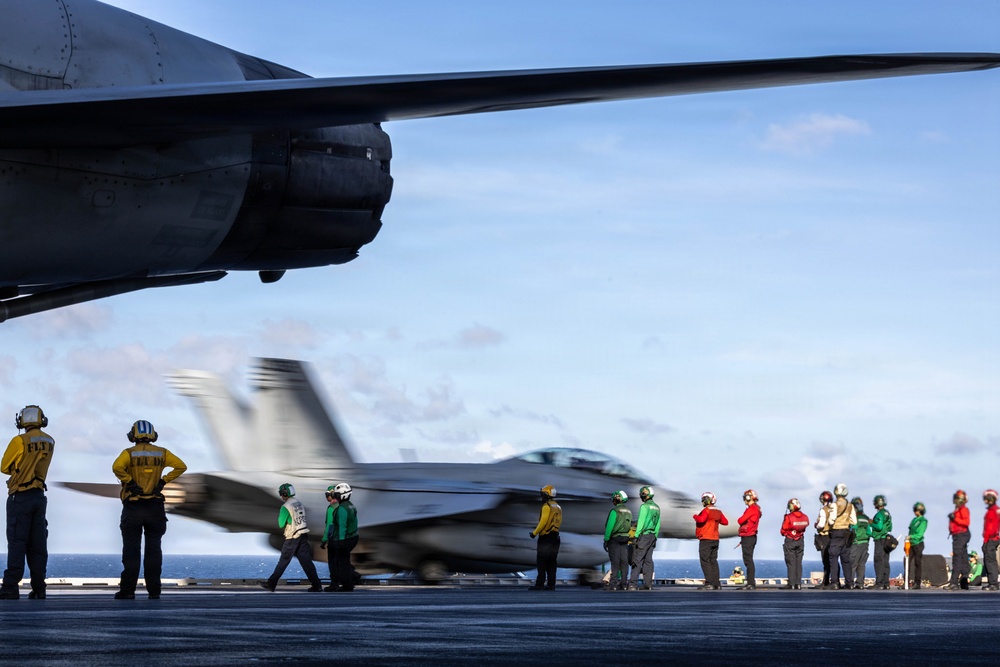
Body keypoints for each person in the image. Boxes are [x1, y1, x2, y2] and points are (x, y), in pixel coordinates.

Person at [111, 420, 186, 600]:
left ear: (133, 435)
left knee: (131, 550)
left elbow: (116, 467)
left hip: (134, 507)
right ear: (153, 435)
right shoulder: (162, 453)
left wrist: (129, 482)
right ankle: (154, 591)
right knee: (154, 551)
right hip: (155, 508)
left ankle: (128, 591)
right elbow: (181, 466)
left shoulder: (128, 453)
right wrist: (163, 481)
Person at [0, 406, 55, 600]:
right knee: (38, 545)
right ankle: (39, 587)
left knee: (17, 541)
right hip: (39, 497)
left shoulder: (19, 440)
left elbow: (4, 466)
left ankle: (10, 587)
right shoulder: (49, 441)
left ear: (21, 422)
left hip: (20, 496)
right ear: (42, 420)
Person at [261, 483, 323, 593]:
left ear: (284, 493)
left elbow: (281, 524)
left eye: (281, 494)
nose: (281, 496)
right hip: (303, 535)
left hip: (292, 537)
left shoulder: (286, 507)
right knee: (307, 562)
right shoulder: (299, 503)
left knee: (283, 561)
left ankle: (271, 584)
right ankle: (317, 585)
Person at [322, 482, 359, 592]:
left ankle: (341, 583)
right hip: (352, 536)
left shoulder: (335, 508)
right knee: (342, 560)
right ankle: (351, 577)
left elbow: (332, 525)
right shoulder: (351, 505)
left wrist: (325, 539)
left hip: (338, 539)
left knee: (336, 562)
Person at [528, 484, 561, 591]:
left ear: (547, 495)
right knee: (552, 562)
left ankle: (539, 584)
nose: (542, 496)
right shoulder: (558, 507)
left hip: (545, 538)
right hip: (555, 538)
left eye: (543, 494)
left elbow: (543, 522)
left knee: (541, 562)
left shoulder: (547, 506)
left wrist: (534, 533)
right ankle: (551, 585)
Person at [693, 491, 728, 590]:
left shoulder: (706, 510)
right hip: (715, 539)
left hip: (706, 539)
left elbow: (701, 520)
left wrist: (695, 516)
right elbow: (725, 522)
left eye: (703, 499)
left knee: (705, 561)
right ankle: (717, 584)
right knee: (713, 561)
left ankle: (709, 583)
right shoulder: (718, 511)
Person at [627, 485, 660, 591]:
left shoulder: (644, 506)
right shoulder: (657, 507)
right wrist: (655, 536)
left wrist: (636, 536)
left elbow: (641, 522)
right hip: (652, 536)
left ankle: (632, 584)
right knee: (648, 561)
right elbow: (658, 524)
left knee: (637, 559)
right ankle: (648, 584)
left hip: (644, 536)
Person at [828, 483, 857, 589]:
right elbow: (854, 521)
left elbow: (831, 520)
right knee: (846, 558)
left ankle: (835, 582)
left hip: (836, 533)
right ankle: (850, 583)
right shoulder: (850, 505)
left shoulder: (835, 505)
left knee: (833, 557)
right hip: (846, 533)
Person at [603, 490, 632, 591]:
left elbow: (609, 526)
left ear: (617, 499)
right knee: (624, 561)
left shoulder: (614, 511)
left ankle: (613, 584)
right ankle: (624, 584)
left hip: (614, 538)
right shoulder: (629, 511)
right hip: (625, 538)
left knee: (615, 562)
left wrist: (606, 540)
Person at [779, 497, 809, 589]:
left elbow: (783, 531)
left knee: (791, 562)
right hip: (800, 540)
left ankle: (791, 583)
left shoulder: (789, 517)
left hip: (790, 540)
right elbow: (804, 527)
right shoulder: (805, 516)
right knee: (798, 562)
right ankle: (798, 583)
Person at [946, 489, 971, 590]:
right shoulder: (958, 510)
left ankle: (954, 582)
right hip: (959, 535)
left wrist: (954, 518)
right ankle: (964, 582)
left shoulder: (963, 510)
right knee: (964, 558)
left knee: (957, 559)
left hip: (960, 535)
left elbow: (966, 522)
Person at [737, 489, 761, 590]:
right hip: (751, 536)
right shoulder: (756, 509)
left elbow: (740, 520)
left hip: (748, 536)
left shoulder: (752, 509)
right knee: (749, 559)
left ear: (748, 498)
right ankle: (750, 582)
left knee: (748, 560)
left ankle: (751, 583)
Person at [847, 497, 872, 590]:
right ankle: (860, 583)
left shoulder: (854, 518)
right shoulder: (866, 519)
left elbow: (852, 530)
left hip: (856, 543)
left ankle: (850, 583)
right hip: (865, 544)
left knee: (852, 564)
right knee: (862, 564)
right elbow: (870, 532)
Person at [870, 494, 893, 590]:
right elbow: (890, 527)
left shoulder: (879, 514)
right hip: (886, 539)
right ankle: (886, 583)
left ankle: (879, 583)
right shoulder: (888, 513)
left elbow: (879, 527)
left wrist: (872, 523)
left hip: (879, 539)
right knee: (885, 561)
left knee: (878, 560)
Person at [813, 490, 835, 588]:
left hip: (825, 536)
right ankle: (834, 580)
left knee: (825, 559)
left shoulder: (823, 510)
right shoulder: (834, 509)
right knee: (833, 559)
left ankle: (825, 582)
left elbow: (821, 524)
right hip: (833, 536)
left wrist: (816, 525)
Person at [982, 489, 1000, 592]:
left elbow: (992, 527)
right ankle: (992, 582)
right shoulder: (994, 510)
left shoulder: (993, 511)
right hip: (992, 538)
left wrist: (987, 538)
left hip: (991, 539)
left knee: (990, 561)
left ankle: (993, 583)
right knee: (989, 561)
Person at [908, 502, 928, 589]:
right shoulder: (913, 520)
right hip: (911, 543)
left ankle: (917, 582)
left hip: (918, 544)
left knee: (917, 563)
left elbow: (919, 534)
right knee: (907, 562)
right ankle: (906, 581)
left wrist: (911, 537)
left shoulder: (923, 521)